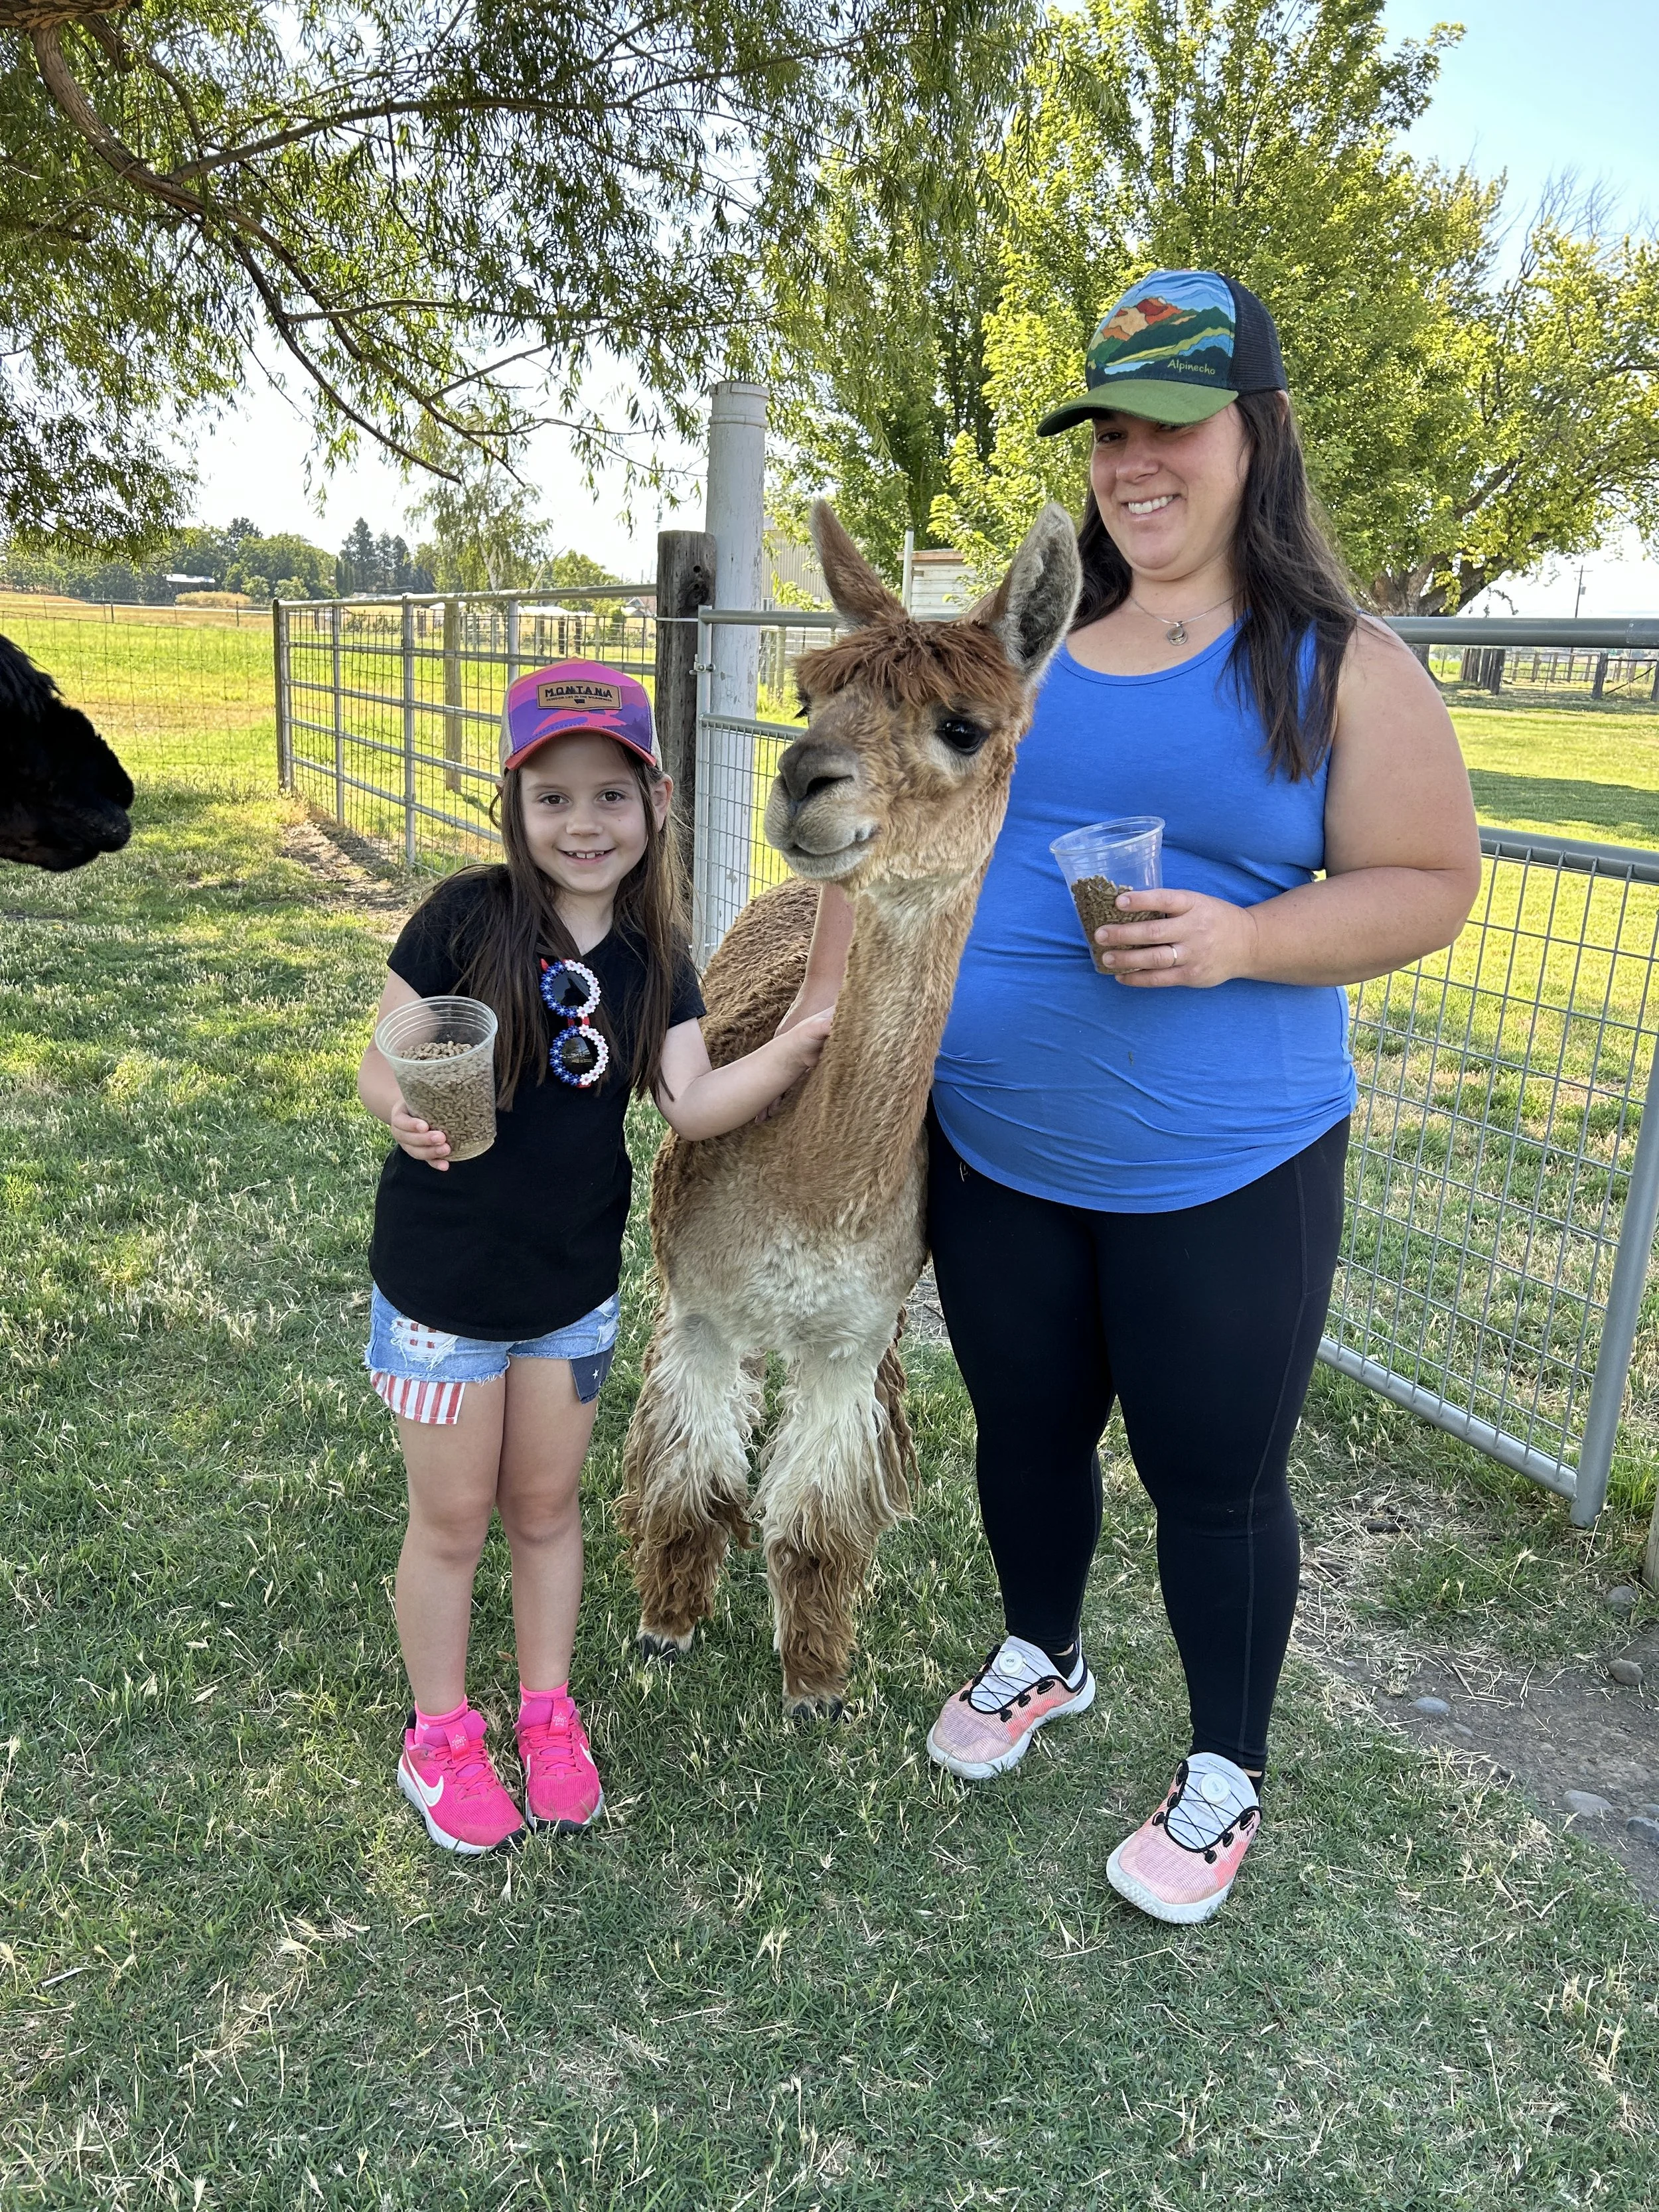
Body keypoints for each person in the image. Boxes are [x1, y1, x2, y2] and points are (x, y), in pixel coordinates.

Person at [782, 271, 1481, 1923]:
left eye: (1170, 422)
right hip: (1003, 1146)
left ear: (1253, 432)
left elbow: (1429, 879)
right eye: (1109, 428)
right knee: (1024, 1429)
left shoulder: (1334, 664)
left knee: (1212, 1477)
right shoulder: (1030, 640)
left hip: (1224, 1165)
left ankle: (1223, 1768)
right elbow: (879, 806)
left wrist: (1246, 935)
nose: (1132, 459)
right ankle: (1041, 1652)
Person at [358, 660, 831, 1855]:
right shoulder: (462, 918)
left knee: (547, 1507)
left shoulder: (659, 954)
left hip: (570, 1293)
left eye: (611, 795)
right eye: (554, 797)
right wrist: (400, 1109)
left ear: (657, 804)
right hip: (445, 1295)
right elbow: (384, 1051)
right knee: (454, 1518)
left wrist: (792, 1053)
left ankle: (547, 1713)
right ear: (515, 807)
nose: (584, 823)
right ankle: (441, 1736)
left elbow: (692, 1099)